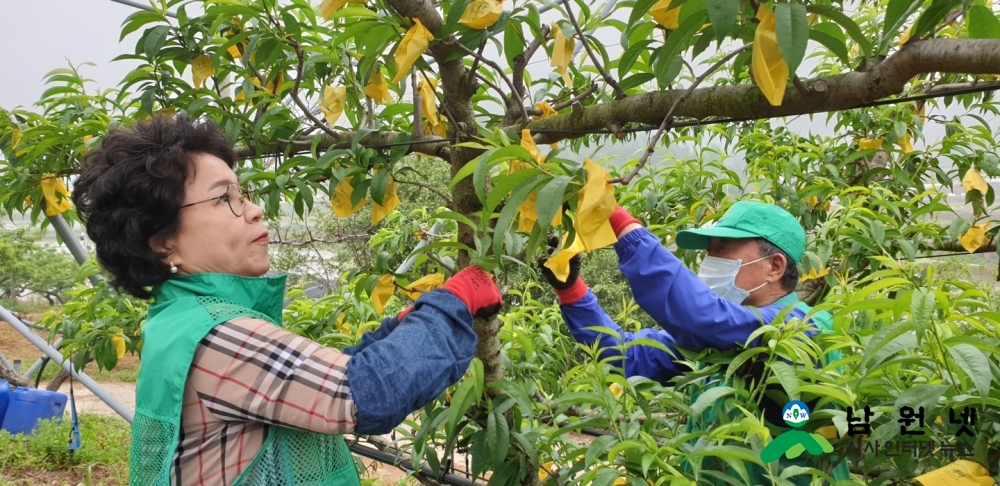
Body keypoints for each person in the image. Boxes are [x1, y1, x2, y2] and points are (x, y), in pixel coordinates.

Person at [72, 115, 503, 486]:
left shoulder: (183, 320)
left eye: (243, 195)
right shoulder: (218, 335)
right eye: (226, 198)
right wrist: (453, 302)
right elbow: (370, 394)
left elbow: (309, 381)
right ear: (163, 242)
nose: (256, 210)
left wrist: (405, 325)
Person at [538, 200, 848, 484]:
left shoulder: (802, 328)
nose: (710, 261)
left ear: (775, 267)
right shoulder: (721, 337)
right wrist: (572, 291)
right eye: (709, 250)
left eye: (723, 248)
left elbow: (700, 316)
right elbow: (624, 355)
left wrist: (616, 219)